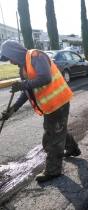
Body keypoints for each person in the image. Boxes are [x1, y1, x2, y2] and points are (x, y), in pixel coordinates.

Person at [0, 40, 81, 182]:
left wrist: (23, 84)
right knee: (58, 130)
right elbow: (27, 90)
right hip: (50, 105)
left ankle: (53, 170)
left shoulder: (35, 56)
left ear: (14, 52)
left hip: (58, 102)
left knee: (51, 137)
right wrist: (14, 108)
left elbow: (45, 77)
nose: (10, 62)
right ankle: (73, 148)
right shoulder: (24, 67)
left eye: (9, 58)